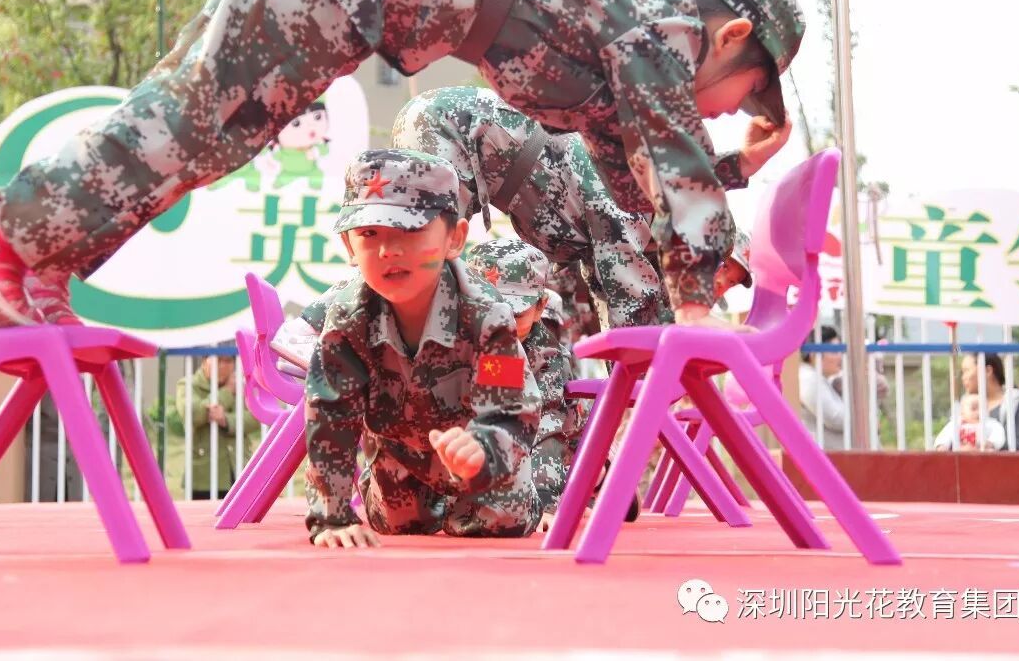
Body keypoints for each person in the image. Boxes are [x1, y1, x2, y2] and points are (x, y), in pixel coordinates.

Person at [0, 0, 801, 340]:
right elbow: (674, 164)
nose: (731, 112)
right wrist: (696, 308)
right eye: (746, 95)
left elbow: (635, 177)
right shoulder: (664, 24)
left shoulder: (629, 61)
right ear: (730, 38)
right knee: (200, 115)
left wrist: (732, 171)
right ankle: (6, 227)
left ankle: (46, 254)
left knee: (212, 128)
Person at [306, 149, 541, 548]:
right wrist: (332, 518)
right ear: (348, 246)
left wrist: (483, 449)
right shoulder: (347, 320)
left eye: (410, 230)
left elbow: (511, 408)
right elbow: (331, 416)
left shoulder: (487, 316)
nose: (388, 250)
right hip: (401, 457)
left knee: (502, 521)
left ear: (455, 239)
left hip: (477, 456)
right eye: (369, 234)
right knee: (396, 524)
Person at [393, 86, 768, 329]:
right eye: (719, 270)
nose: (717, 286)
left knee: (427, 267)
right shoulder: (634, 207)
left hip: (467, 143)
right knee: (424, 264)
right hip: (450, 126)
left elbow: (613, 291)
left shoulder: (646, 220)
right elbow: (633, 308)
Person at [464, 238, 581, 527]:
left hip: (536, 450)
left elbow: (546, 430)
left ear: (540, 307)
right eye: (489, 308)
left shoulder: (545, 357)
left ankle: (599, 474)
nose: (501, 323)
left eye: (515, 314)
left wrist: (543, 501)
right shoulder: (447, 333)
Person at [176, 348, 263, 499]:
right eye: (218, 360)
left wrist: (226, 420)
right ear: (204, 361)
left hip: (238, 469)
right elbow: (192, 413)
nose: (223, 365)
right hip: (203, 476)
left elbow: (255, 417)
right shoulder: (188, 384)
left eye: (228, 361)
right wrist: (227, 392)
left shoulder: (241, 383)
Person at [959, 353, 1019, 452]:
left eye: (966, 371)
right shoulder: (964, 403)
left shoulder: (1015, 401)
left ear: (988, 371)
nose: (963, 377)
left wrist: (984, 447)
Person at [933, 393, 1006, 452]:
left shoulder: (991, 423)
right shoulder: (956, 424)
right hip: (959, 454)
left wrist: (991, 443)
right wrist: (942, 445)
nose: (979, 412)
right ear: (962, 412)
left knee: (991, 452)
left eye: (984, 409)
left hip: (982, 453)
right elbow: (945, 435)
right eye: (974, 408)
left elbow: (998, 434)